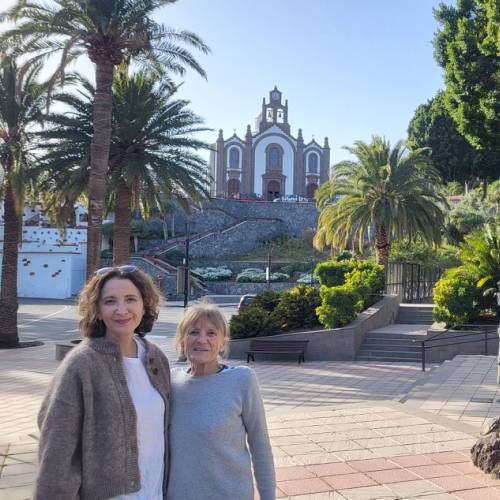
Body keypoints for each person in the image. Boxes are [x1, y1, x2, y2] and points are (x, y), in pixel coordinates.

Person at [34, 266, 171, 500]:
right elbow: (56, 449)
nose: (121, 310)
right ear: (97, 309)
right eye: (110, 301)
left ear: (144, 304)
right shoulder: (81, 364)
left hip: (154, 492)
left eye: (130, 299)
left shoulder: (155, 358)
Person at [167, 303, 276, 500]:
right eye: (193, 332)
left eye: (211, 333)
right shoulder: (171, 381)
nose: (202, 340)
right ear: (182, 339)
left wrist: (268, 496)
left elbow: (260, 446)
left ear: (223, 342)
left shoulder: (242, 380)